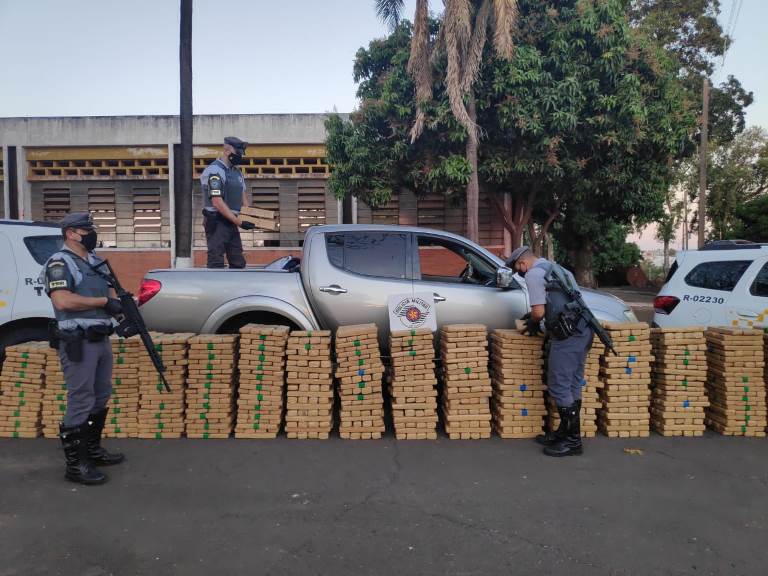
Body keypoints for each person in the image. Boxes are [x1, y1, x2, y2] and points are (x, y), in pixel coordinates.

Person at [42, 212, 125, 485]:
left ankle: (92, 450)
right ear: (70, 233)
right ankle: (76, 466)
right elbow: (63, 301)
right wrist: (103, 302)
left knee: (101, 394)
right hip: (78, 341)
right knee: (81, 398)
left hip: (101, 338)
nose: (91, 235)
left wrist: (124, 310)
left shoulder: (96, 262)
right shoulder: (59, 263)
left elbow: (112, 297)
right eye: (86, 230)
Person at [506, 246, 594, 457]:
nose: (520, 273)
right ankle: (564, 433)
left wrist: (534, 321)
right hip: (583, 330)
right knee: (573, 384)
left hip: (567, 336)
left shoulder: (533, 274)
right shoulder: (559, 269)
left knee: (559, 385)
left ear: (522, 264)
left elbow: (538, 312)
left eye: (518, 269)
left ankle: (573, 442)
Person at [200, 136, 255, 268]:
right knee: (216, 260)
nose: (240, 157)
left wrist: (250, 218)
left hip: (231, 221)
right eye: (238, 153)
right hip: (216, 220)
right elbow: (217, 202)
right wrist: (240, 222)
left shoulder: (237, 173)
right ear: (226, 151)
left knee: (238, 262)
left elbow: (243, 198)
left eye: (241, 154)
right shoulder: (214, 171)